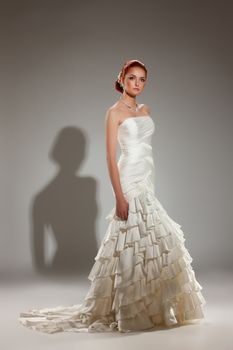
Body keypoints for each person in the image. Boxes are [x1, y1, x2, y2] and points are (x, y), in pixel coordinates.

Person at [18, 59, 206, 333]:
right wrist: (119, 196)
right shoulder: (113, 112)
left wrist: (150, 181)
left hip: (147, 176)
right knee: (132, 237)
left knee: (151, 236)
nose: (137, 84)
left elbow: (147, 150)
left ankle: (153, 305)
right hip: (128, 176)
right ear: (121, 79)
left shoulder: (146, 110)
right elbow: (109, 155)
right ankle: (130, 308)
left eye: (142, 79)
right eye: (132, 78)